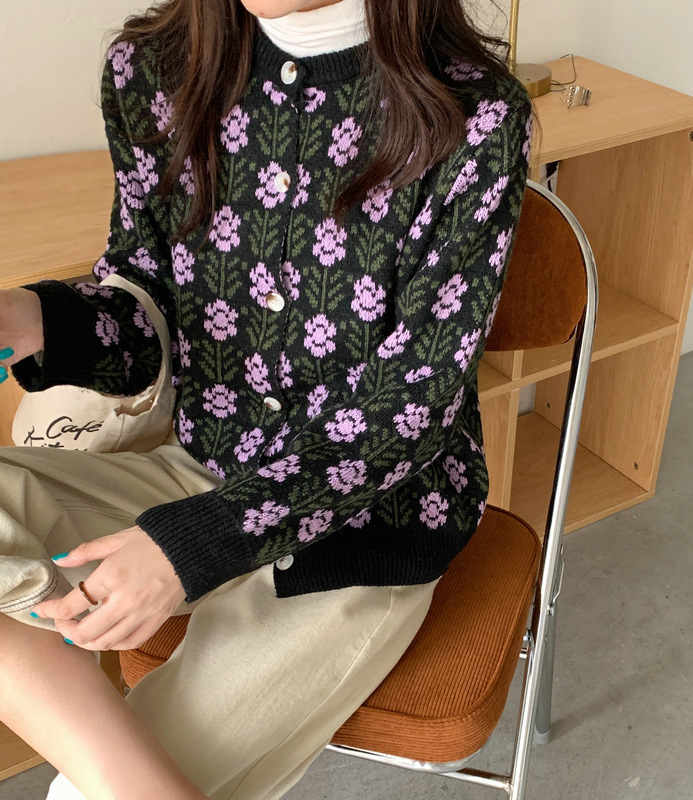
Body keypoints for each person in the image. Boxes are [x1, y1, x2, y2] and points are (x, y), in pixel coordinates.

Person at [0, 0, 536, 797]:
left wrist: (191, 549)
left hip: (363, 526)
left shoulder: (475, 115)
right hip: (197, 468)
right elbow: (152, 304)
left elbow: (410, 406)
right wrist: (33, 319)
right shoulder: (154, 71)